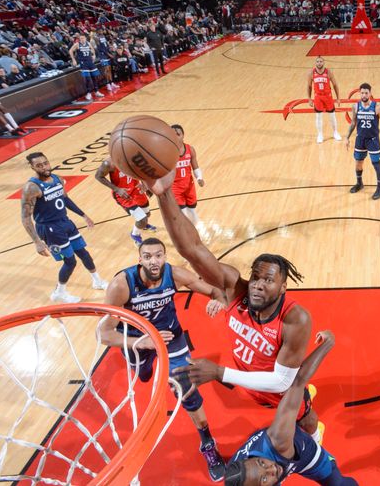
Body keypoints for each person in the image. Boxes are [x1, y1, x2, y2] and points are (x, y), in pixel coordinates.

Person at [144, 175, 326, 444]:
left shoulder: (295, 319)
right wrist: (164, 194)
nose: (258, 286)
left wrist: (219, 373)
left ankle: (315, 436)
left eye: (268, 280)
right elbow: (192, 249)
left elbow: (281, 381)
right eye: (255, 277)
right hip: (250, 380)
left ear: (283, 287)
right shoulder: (234, 289)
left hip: (280, 387)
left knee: (303, 415)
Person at [97, 238, 227, 481]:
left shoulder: (175, 275)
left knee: (186, 389)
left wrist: (217, 300)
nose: (153, 261)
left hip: (171, 338)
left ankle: (207, 443)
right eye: (147, 256)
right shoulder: (121, 285)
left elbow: (213, 288)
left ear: (165, 258)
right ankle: (144, 364)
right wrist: (141, 341)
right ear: (139, 260)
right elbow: (103, 334)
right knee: (143, 376)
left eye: (158, 255)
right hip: (138, 341)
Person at [223, 330, 358, 486]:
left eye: (261, 463)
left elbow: (298, 382)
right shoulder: (237, 478)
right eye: (264, 479)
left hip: (303, 453)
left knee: (339, 484)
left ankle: (314, 436)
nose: (271, 468)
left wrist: (328, 343)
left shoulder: (278, 440)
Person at [20, 152, 108, 303]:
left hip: (65, 222)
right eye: (39, 165)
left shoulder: (57, 178)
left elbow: (65, 199)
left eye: (45, 163)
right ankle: (59, 292)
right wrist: (36, 242)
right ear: (32, 167)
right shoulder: (31, 188)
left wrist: (83, 215)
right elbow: (25, 217)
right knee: (70, 261)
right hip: (49, 229)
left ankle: (97, 281)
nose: (45, 167)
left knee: (83, 253)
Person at [94, 157, 157, 246]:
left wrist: (144, 183)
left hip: (135, 187)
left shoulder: (132, 155)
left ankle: (143, 225)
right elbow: (98, 176)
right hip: (122, 193)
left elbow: (140, 170)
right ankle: (135, 235)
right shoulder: (109, 163)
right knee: (142, 219)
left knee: (147, 214)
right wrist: (116, 189)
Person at [344, 82, 380, 200]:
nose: (364, 95)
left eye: (366, 93)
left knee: (376, 164)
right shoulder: (356, 106)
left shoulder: (377, 107)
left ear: (370, 93)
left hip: (373, 140)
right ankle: (359, 183)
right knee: (358, 162)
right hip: (360, 139)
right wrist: (347, 137)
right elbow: (353, 123)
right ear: (359, 93)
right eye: (362, 93)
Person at [171, 124, 205, 225]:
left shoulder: (190, 149)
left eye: (178, 134)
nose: (176, 136)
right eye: (173, 134)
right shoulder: (167, 152)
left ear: (183, 135)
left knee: (192, 210)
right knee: (183, 213)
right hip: (175, 187)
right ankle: (186, 236)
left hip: (189, 185)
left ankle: (195, 230)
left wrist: (199, 178)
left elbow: (195, 167)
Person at [307, 56, 341, 143]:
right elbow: (309, 86)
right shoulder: (311, 73)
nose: (319, 63)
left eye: (321, 61)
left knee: (332, 115)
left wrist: (338, 98)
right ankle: (320, 135)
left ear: (324, 62)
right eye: (317, 61)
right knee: (318, 116)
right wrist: (309, 99)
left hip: (328, 96)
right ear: (315, 63)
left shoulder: (329, 72)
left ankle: (335, 132)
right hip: (318, 97)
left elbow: (335, 85)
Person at [69, 33, 103, 101]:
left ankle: (96, 91)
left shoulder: (88, 43)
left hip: (90, 62)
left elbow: (93, 49)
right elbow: (70, 51)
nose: (82, 39)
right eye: (81, 38)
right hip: (83, 63)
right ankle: (88, 92)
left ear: (85, 38)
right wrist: (73, 60)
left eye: (83, 38)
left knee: (95, 77)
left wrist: (94, 55)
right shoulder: (77, 44)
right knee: (87, 79)